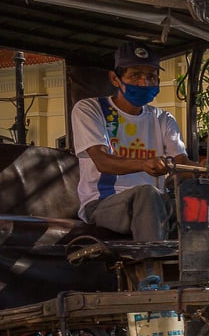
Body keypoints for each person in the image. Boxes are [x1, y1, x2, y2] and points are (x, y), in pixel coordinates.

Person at [71, 42, 185, 242]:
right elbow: (102, 161)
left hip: (157, 202)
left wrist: (206, 171)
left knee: (203, 207)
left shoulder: (163, 119)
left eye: (151, 76)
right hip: (103, 203)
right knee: (147, 194)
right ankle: (151, 260)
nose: (144, 83)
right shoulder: (90, 109)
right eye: (135, 75)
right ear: (115, 79)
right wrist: (144, 164)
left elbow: (181, 163)